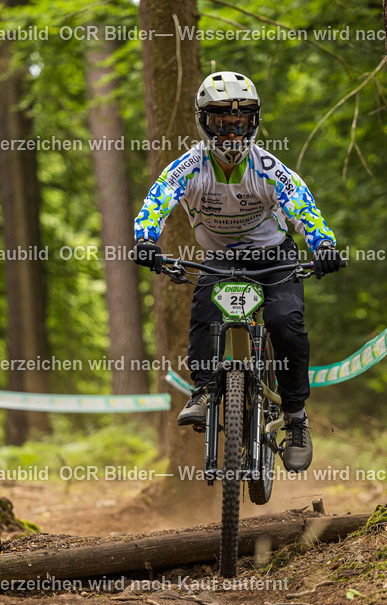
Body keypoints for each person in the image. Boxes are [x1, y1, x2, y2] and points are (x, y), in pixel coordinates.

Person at [132, 71, 342, 472]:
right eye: (221, 122)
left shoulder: (267, 168)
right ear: (203, 122)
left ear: (254, 123)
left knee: (286, 321)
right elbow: (156, 201)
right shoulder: (190, 166)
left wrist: (324, 246)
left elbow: (303, 209)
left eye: (240, 122)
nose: (231, 133)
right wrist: (146, 240)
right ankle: (204, 390)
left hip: (274, 256)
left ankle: (295, 418)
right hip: (221, 258)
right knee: (204, 311)